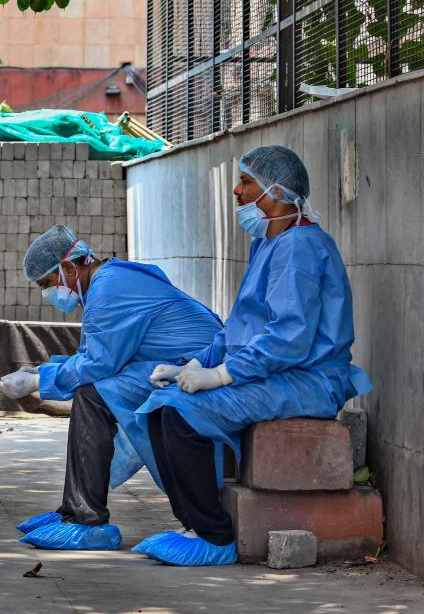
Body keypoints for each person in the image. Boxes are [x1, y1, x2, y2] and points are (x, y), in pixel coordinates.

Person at [141, 145, 373, 566]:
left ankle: (216, 536)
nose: (237, 190)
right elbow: (241, 327)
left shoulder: (299, 247)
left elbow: (290, 338)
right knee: (160, 405)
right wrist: (197, 363)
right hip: (277, 371)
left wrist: (224, 375)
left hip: (309, 379)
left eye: (247, 182)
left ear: (277, 192)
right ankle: (193, 523)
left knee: (180, 414)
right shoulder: (269, 243)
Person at [0, 225, 223, 550]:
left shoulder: (107, 288)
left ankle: (87, 519)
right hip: (176, 360)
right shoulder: (104, 284)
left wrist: (37, 381)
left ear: (70, 267)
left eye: (47, 284)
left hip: (195, 363)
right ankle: (74, 509)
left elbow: (99, 364)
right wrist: (44, 372)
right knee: (93, 391)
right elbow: (91, 356)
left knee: (93, 395)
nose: (48, 294)